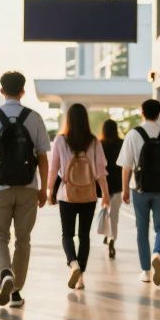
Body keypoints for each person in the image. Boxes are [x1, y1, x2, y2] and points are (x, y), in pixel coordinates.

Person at [0, 71, 50, 309]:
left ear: (1, 90)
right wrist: (43, 189)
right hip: (28, 187)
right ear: (23, 91)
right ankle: (16, 292)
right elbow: (43, 157)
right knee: (23, 239)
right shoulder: (34, 117)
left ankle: (5, 274)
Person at [48, 103, 110, 290]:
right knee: (84, 235)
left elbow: (53, 168)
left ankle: (73, 263)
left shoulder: (60, 140)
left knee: (67, 234)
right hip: (89, 195)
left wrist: (49, 190)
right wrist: (105, 194)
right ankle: (81, 276)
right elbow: (100, 172)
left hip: (66, 195)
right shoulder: (93, 141)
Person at [119, 98, 160, 286]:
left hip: (139, 189)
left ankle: (145, 271)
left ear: (142, 112)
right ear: (159, 113)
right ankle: (158, 254)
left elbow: (126, 166)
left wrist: (124, 190)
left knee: (142, 229)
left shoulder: (134, 134)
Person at [98, 119, 125, 259]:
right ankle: (111, 240)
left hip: (102, 187)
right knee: (114, 216)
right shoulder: (121, 143)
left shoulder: (100, 144)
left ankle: (106, 235)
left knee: (104, 213)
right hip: (118, 185)